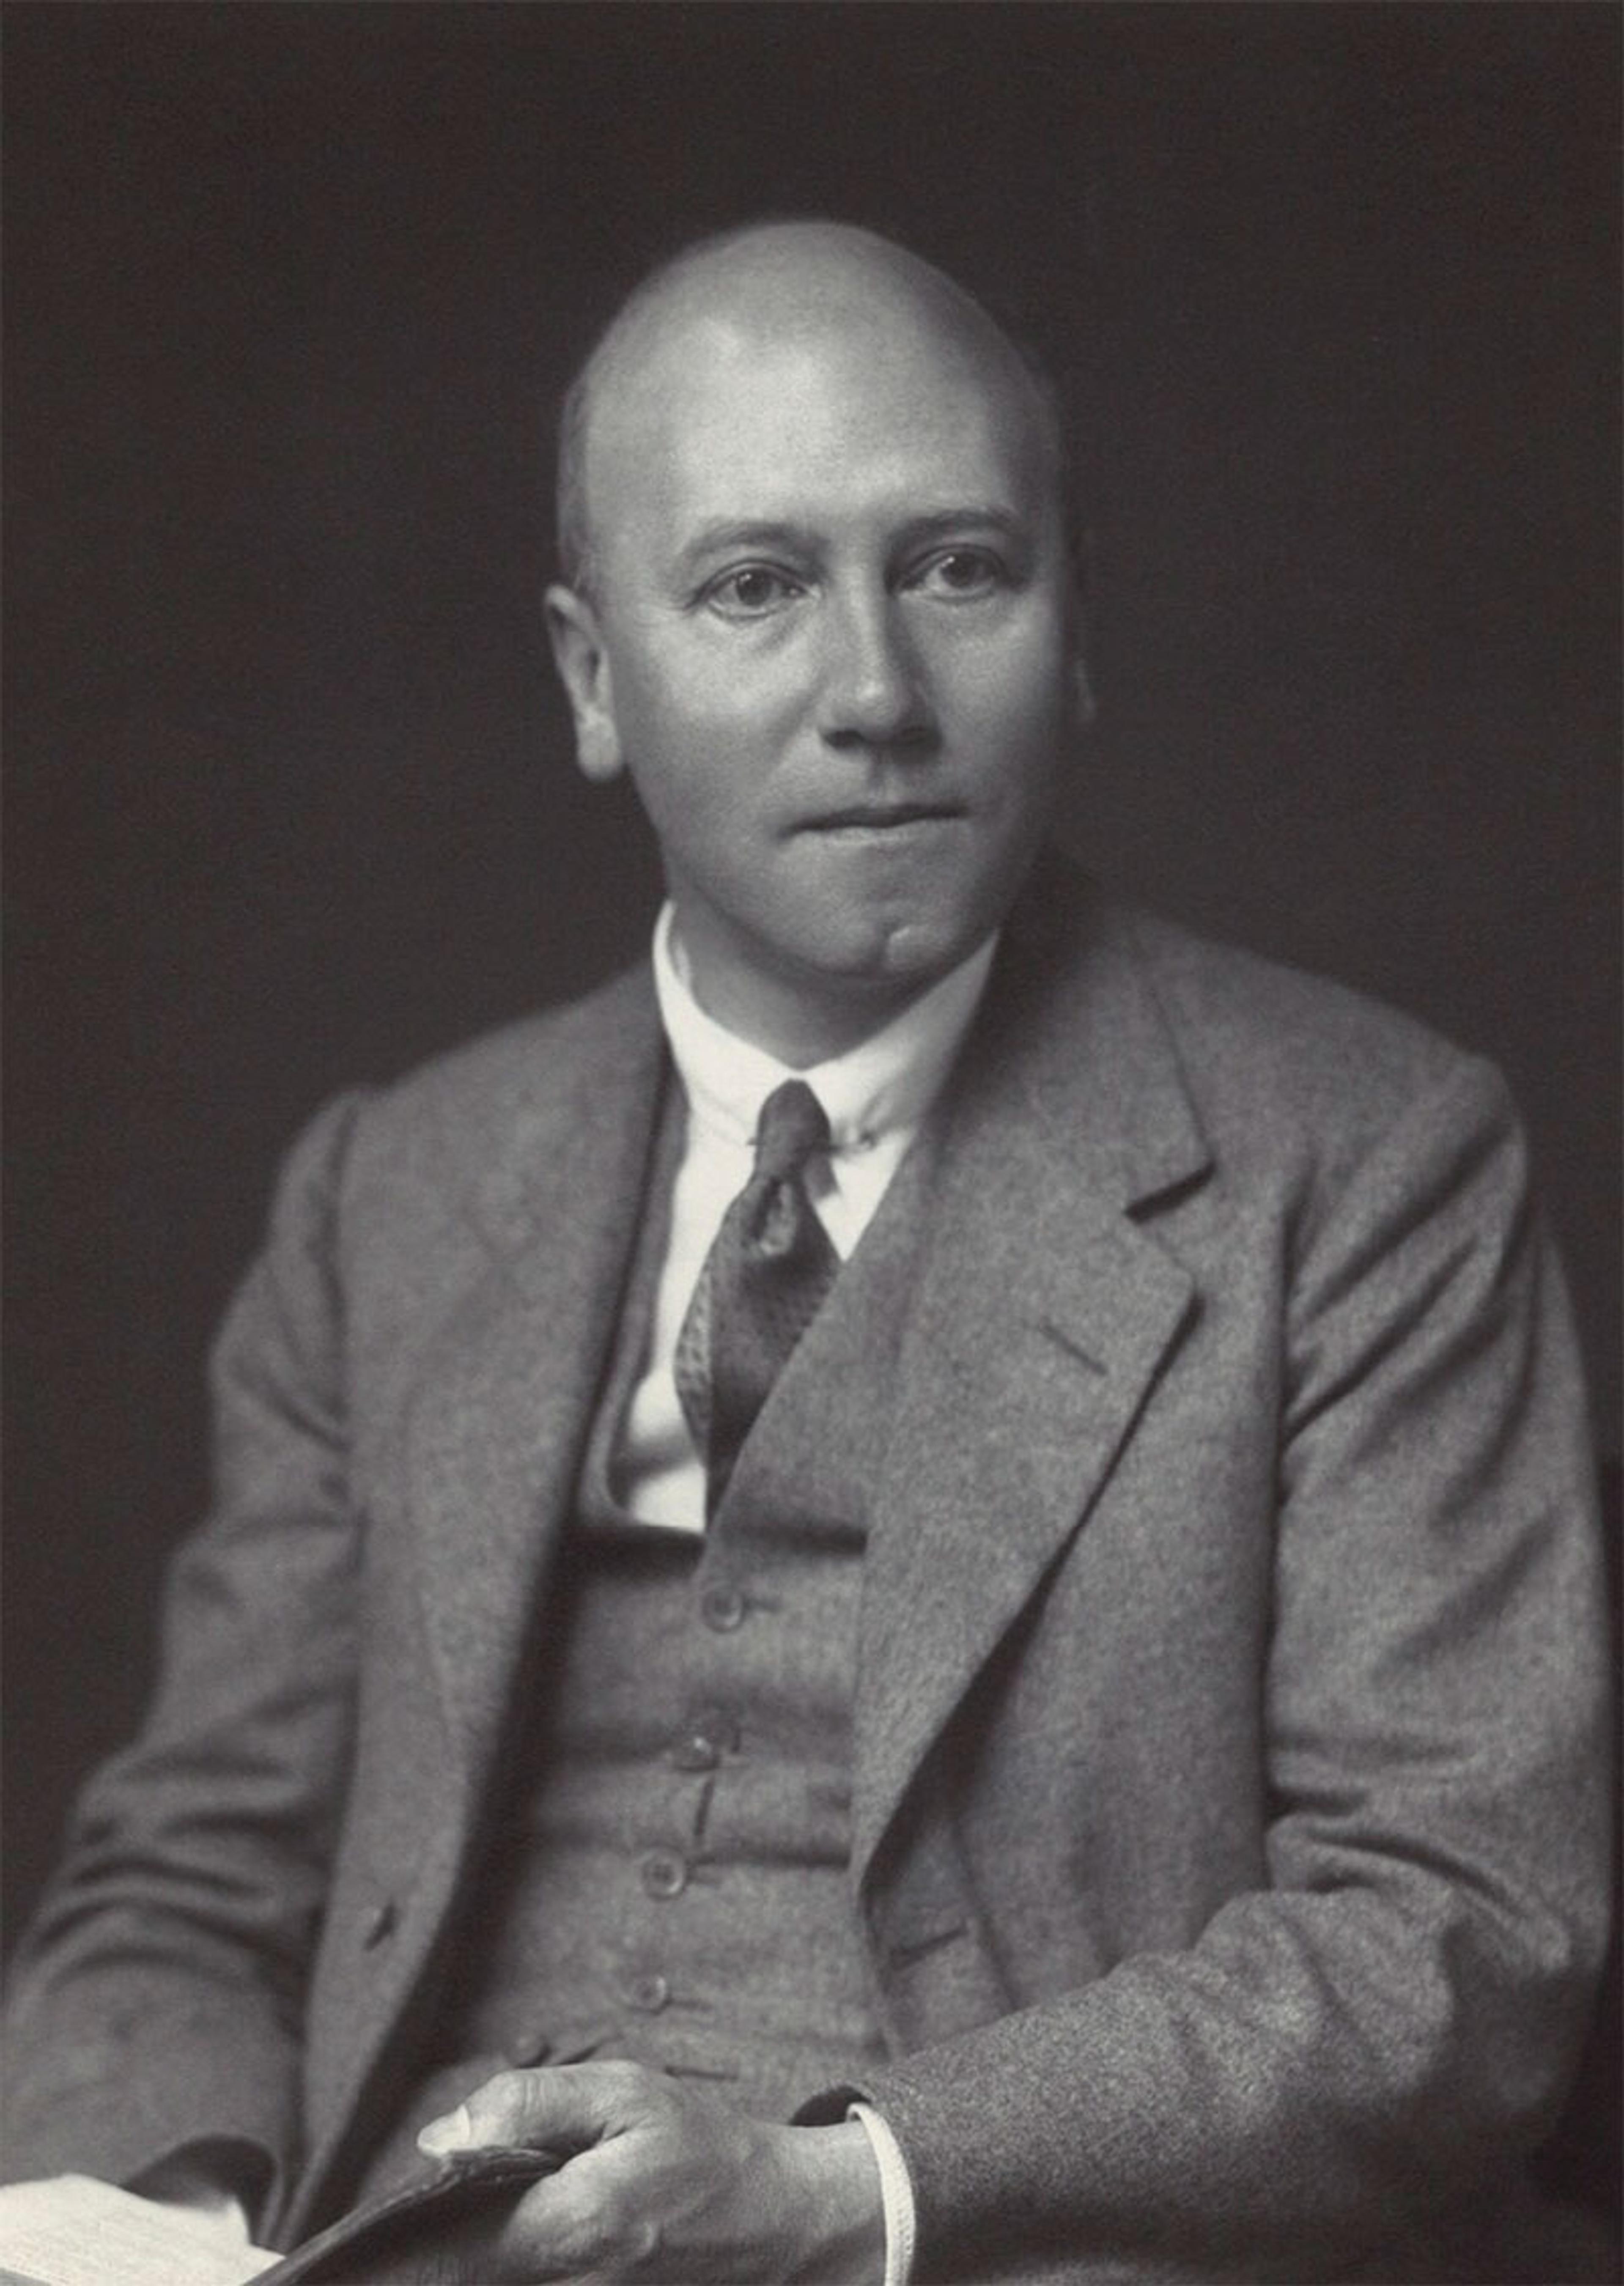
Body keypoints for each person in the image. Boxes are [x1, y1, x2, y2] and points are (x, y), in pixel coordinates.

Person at [1, 219, 1610, 2285]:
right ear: (596, 678)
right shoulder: (392, 1186)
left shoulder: (1373, 1157)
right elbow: (184, 1876)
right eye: (756, 586)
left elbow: (1457, 1933)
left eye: (958, 566)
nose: (876, 690)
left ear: (1080, 624)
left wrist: (835, 2191)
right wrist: (171, 2226)